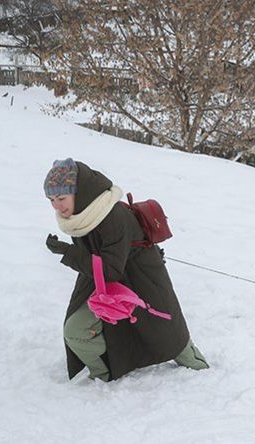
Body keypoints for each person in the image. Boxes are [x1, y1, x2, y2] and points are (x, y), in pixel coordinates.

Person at [43, 158, 208, 381]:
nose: (56, 205)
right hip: (106, 282)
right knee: (75, 329)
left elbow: (110, 270)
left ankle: (198, 367)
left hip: (141, 281)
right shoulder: (80, 216)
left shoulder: (111, 216)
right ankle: (104, 373)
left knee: (167, 334)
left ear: (80, 193)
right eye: (51, 199)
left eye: (61, 198)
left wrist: (68, 253)